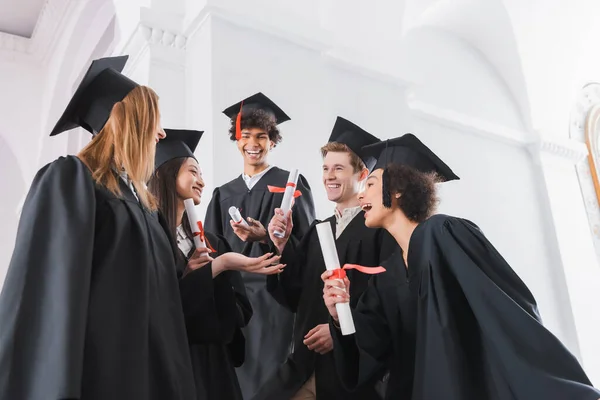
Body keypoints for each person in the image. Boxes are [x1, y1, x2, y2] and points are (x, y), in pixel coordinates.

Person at [321, 134, 600, 399]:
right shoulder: (385, 279)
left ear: (397, 190)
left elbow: (503, 311)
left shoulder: (444, 233)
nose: (360, 196)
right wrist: (339, 313)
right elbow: (368, 352)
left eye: (370, 184)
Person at [0, 56, 199, 399]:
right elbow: (50, 295)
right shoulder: (70, 180)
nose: (162, 133)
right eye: (155, 120)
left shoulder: (145, 206)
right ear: (123, 120)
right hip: (102, 377)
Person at [253, 117, 397, 400]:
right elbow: (292, 295)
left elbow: (388, 303)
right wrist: (280, 246)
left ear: (361, 174)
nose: (329, 176)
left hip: (351, 374)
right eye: (326, 168)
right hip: (304, 364)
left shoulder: (381, 233)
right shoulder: (320, 230)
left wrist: (342, 330)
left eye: (339, 168)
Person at [149, 128, 285, 400]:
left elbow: (239, 312)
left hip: (214, 367)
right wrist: (215, 268)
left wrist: (216, 277)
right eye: (192, 172)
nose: (201, 180)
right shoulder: (149, 236)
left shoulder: (213, 242)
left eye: (201, 173)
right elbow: (156, 309)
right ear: (165, 173)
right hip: (172, 364)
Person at [205, 92, 316, 398]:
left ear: (273, 141)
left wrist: (266, 237)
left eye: (262, 136)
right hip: (235, 301)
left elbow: (307, 248)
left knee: (271, 380)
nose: (252, 143)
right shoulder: (222, 193)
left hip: (274, 298)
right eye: (245, 136)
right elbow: (212, 249)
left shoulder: (291, 184)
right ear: (236, 139)